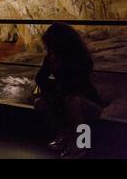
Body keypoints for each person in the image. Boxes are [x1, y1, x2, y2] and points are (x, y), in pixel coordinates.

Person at [33, 22, 107, 159]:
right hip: (64, 98)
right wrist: (55, 89)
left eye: (51, 45)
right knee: (40, 102)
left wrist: (56, 86)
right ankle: (65, 136)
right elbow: (40, 78)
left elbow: (76, 85)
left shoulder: (79, 58)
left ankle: (82, 143)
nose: (50, 48)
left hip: (88, 103)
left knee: (73, 101)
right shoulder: (51, 58)